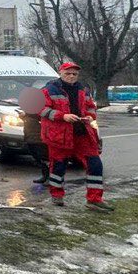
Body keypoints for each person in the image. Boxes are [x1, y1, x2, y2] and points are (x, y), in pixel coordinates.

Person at [39, 62, 112, 212]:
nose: (71, 76)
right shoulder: (49, 89)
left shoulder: (83, 89)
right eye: (68, 73)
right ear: (60, 73)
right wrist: (62, 116)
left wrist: (90, 117)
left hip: (82, 133)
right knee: (58, 166)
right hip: (59, 135)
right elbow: (40, 109)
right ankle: (57, 195)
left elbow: (91, 106)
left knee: (95, 164)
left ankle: (94, 199)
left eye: (74, 74)